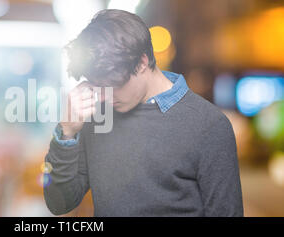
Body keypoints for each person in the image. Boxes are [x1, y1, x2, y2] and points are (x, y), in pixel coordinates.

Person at [43, 9, 243, 217]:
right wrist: (66, 132)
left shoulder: (209, 124)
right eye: (97, 87)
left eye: (112, 85)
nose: (103, 97)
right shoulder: (96, 117)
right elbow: (59, 203)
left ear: (141, 63)